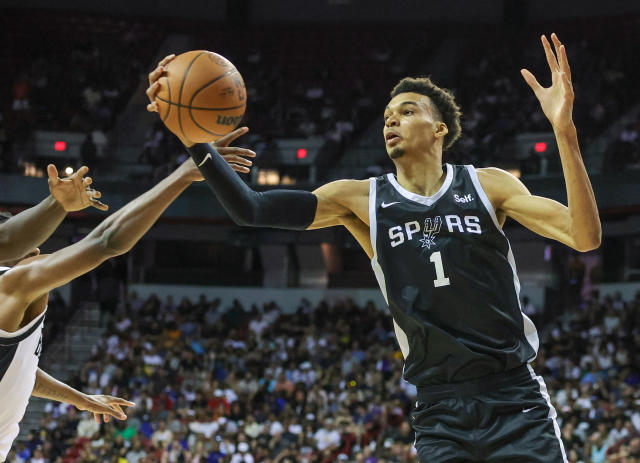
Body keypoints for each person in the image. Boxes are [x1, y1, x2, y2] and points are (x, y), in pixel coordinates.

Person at [147, 34, 600, 462]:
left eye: (405, 112)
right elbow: (250, 208)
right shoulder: (362, 199)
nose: (390, 120)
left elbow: (584, 236)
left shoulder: (487, 185)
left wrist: (565, 131)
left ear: (439, 128)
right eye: (387, 116)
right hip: (440, 410)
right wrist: (194, 139)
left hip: (513, 397)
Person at [0, 133, 254, 462]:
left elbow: (22, 369)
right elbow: (107, 241)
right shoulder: (13, 286)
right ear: (29, 251)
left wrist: (80, 399)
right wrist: (182, 175)